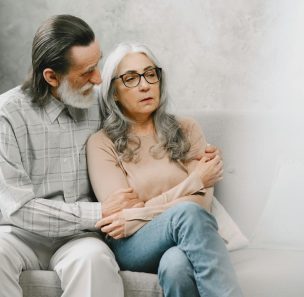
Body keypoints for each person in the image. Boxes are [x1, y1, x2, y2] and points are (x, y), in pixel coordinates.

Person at [0, 15, 220, 297]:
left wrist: (200, 157)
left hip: (80, 238)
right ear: (52, 77)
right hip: (19, 232)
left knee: (94, 262)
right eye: (87, 72)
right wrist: (99, 211)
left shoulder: (96, 101)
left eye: (99, 63)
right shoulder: (7, 114)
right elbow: (16, 208)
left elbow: (145, 129)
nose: (99, 79)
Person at [86, 42, 244, 297]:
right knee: (186, 213)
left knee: (176, 265)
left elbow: (200, 206)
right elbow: (122, 217)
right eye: (130, 78)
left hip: (179, 236)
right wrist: (192, 182)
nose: (145, 84)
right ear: (113, 92)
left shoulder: (187, 128)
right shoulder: (101, 143)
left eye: (150, 74)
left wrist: (141, 212)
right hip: (132, 245)